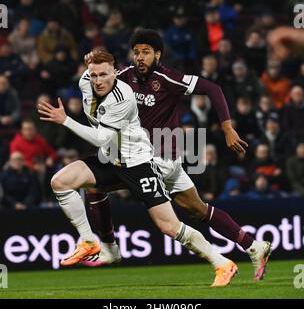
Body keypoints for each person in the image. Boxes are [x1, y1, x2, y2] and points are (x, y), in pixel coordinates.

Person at [81, 30, 272, 281]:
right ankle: (254, 245)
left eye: (146, 52)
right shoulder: (124, 77)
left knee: (94, 183)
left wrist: (227, 127)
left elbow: (212, 89)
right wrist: (90, 68)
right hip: (160, 159)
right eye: (136, 51)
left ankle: (109, 248)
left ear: (157, 55)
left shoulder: (168, 79)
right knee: (198, 209)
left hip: (155, 159)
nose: (140, 57)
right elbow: (98, 83)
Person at [38, 50, 237, 287]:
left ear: (116, 72)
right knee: (60, 181)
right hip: (112, 159)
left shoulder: (123, 98)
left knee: (168, 226)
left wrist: (66, 121)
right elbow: (104, 138)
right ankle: (90, 242)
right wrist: (89, 59)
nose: (98, 80)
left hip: (137, 163)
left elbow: (102, 138)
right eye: (94, 75)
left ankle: (222, 263)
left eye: (104, 74)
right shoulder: (86, 82)